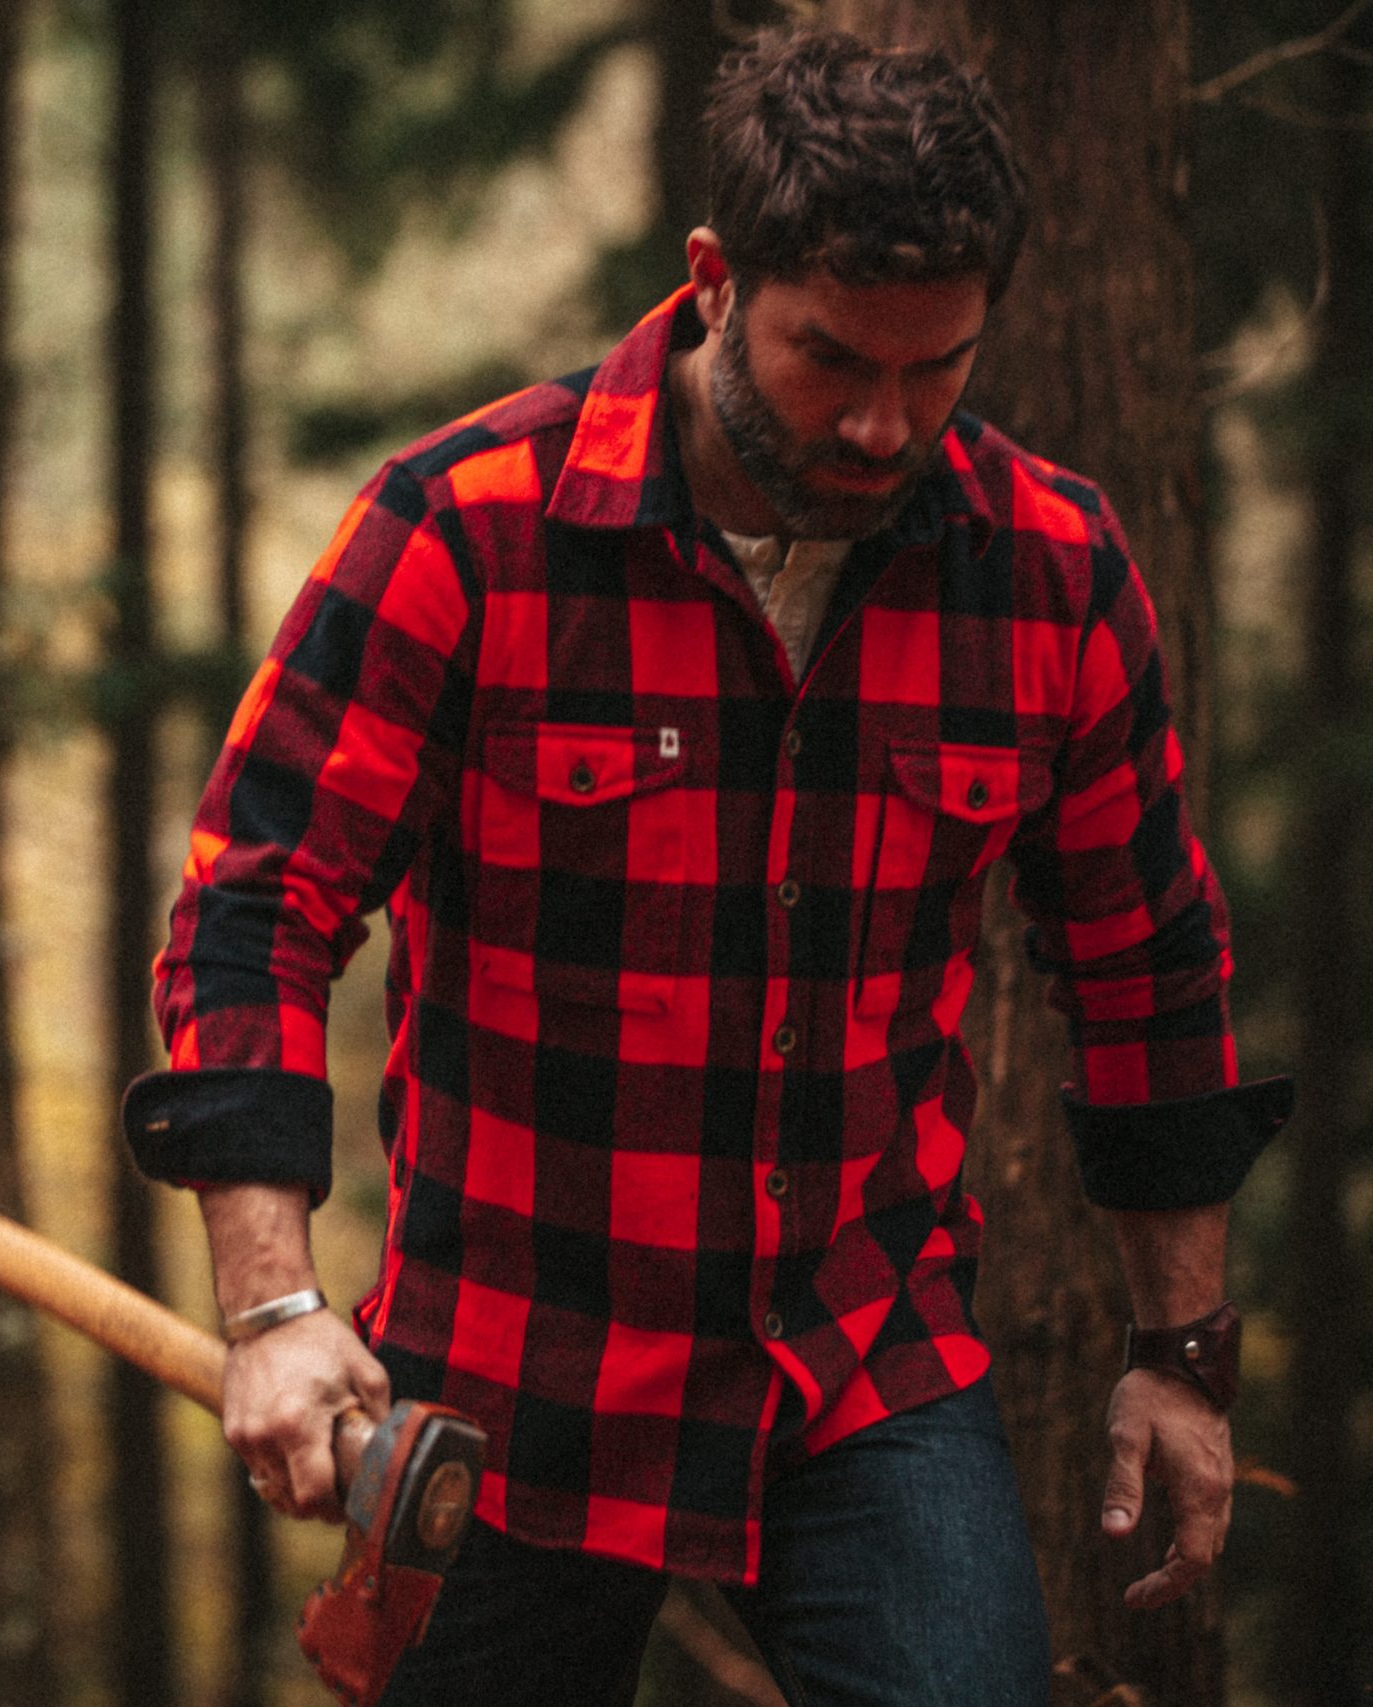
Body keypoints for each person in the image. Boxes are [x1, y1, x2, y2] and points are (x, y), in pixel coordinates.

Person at [123, 27, 1291, 1706]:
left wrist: (1178, 1354)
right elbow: (254, 903)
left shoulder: (1050, 571)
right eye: (833, 360)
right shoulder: (468, 529)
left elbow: (1148, 962)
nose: (884, 423)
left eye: (940, 368)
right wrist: (271, 1307)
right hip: (510, 1383)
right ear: (714, 279)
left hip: (865, 1365)